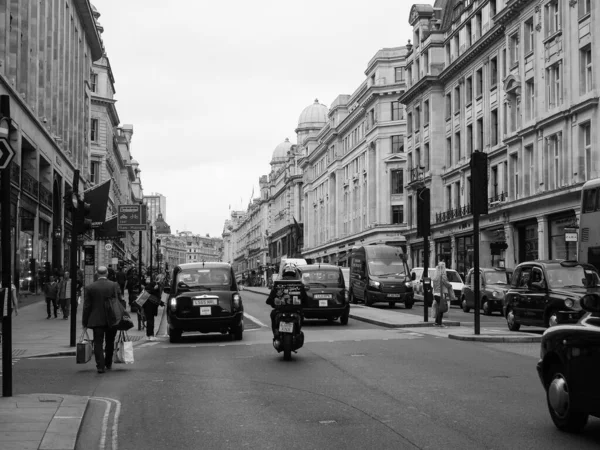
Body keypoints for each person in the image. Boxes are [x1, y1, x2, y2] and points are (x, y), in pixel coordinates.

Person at [82, 266, 124, 373]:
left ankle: (100, 366)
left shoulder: (90, 287)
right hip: (112, 318)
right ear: (107, 274)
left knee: (98, 343)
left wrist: (85, 321)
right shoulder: (114, 285)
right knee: (110, 342)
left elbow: (86, 306)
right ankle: (108, 363)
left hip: (96, 319)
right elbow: (120, 301)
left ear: (97, 273)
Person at [266, 264, 303, 334]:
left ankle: (276, 335)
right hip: (295, 310)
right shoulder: (299, 284)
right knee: (301, 315)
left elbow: (270, 298)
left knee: (273, 315)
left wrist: (271, 302)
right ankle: (298, 332)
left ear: (283, 273)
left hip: (280, 310)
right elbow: (304, 298)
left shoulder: (278, 284)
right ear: (294, 274)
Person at [142, 275, 165, 341]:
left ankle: (150, 335)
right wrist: (154, 289)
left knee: (151, 320)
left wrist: (162, 303)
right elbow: (146, 289)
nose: (163, 281)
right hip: (149, 305)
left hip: (152, 305)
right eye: (162, 279)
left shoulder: (158, 285)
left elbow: (157, 297)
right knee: (150, 320)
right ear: (159, 279)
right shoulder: (153, 284)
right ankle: (150, 335)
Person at [432, 261, 454, 327]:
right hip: (440, 294)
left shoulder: (435, 276)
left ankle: (437, 322)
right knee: (441, 309)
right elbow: (447, 284)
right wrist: (450, 285)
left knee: (439, 308)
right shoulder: (443, 276)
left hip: (435, 294)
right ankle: (439, 323)